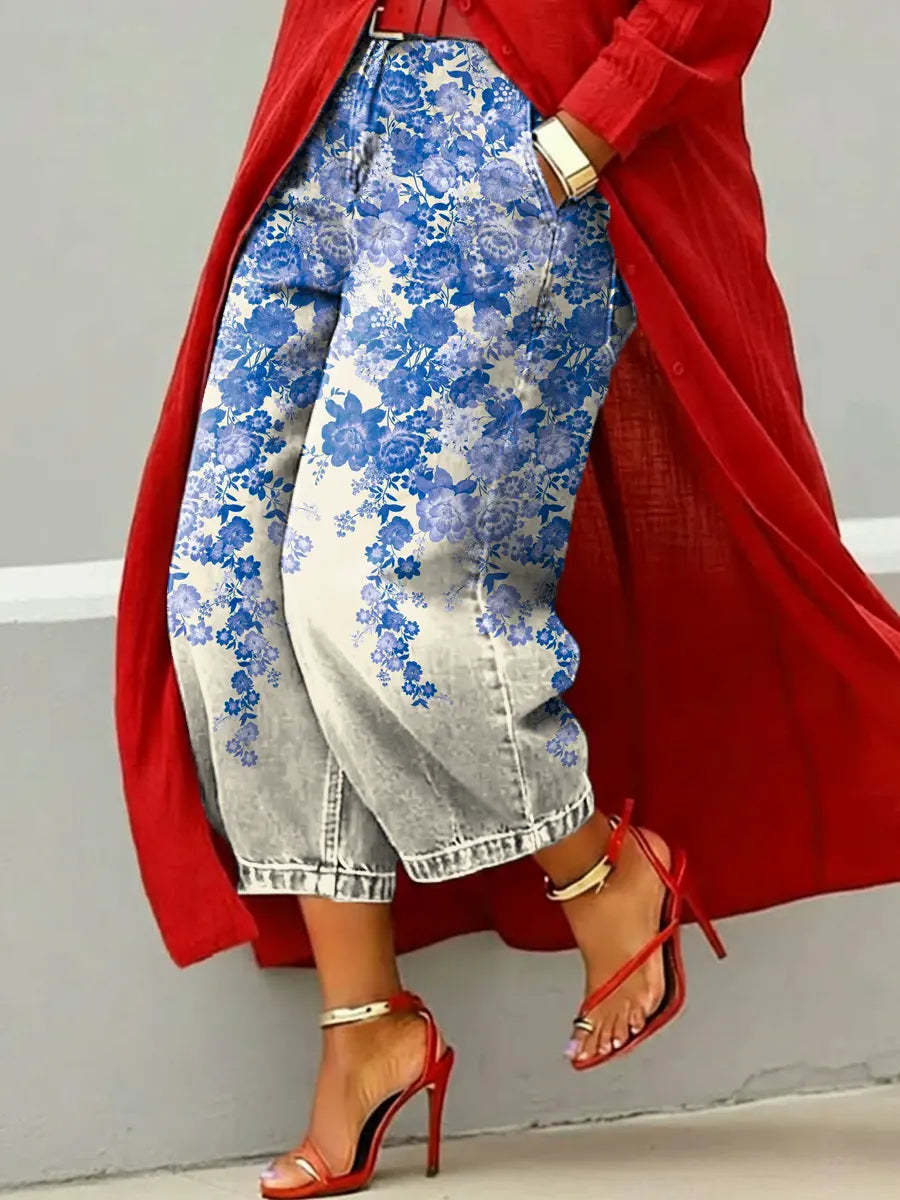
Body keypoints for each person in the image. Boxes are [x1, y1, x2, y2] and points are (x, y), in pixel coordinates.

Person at [114, 3, 900, 1198]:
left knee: (366, 584)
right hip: (329, 105)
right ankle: (367, 1026)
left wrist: (595, 123)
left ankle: (602, 869)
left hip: (506, 115)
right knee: (225, 596)